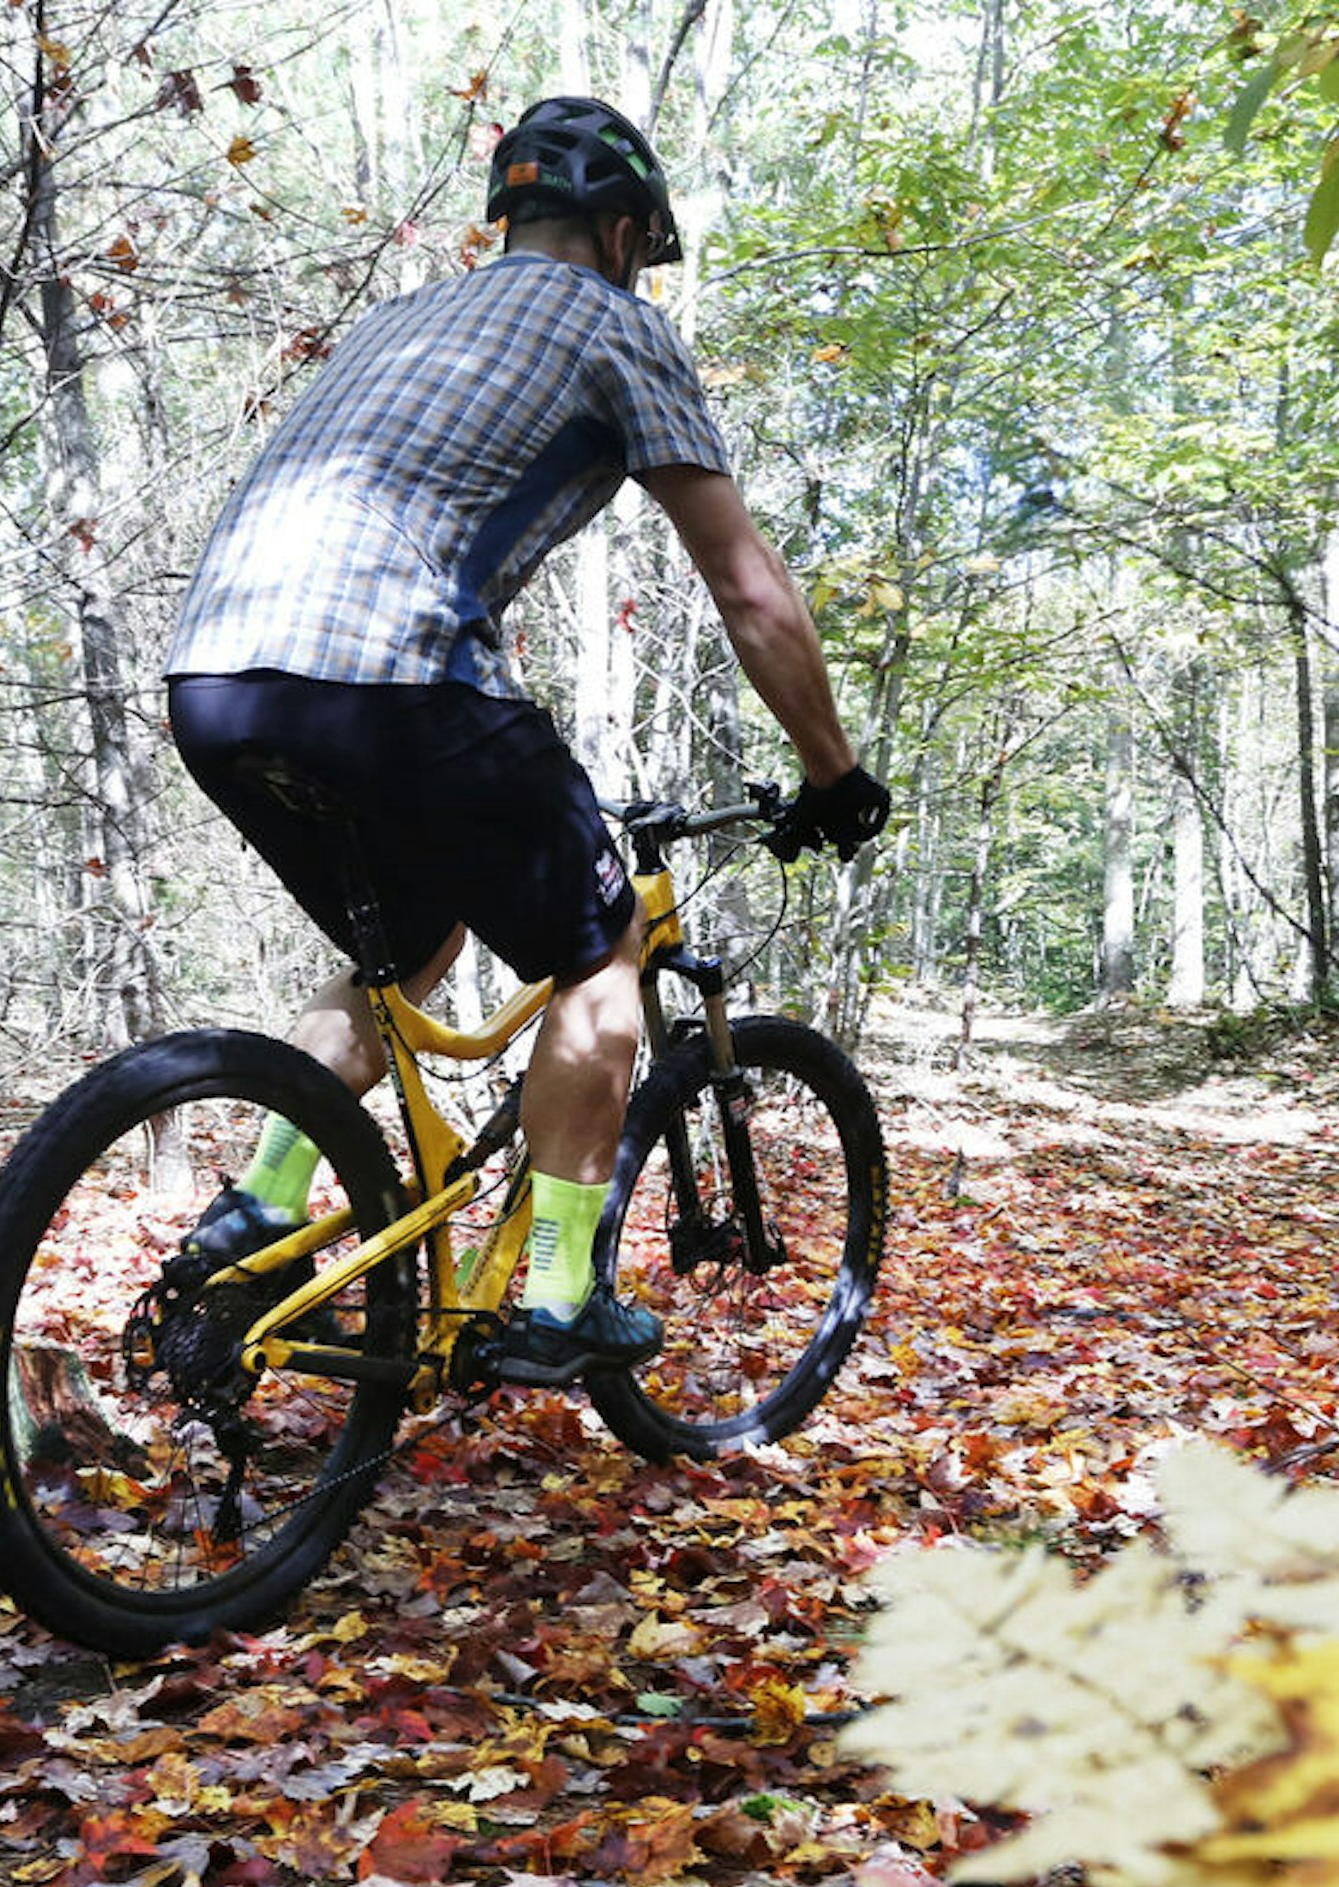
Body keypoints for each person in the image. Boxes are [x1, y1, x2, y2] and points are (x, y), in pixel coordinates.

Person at [162, 93, 890, 1385]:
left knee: (414, 939)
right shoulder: (617, 326)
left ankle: (260, 1212)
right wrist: (834, 770)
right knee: (601, 946)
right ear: (620, 232)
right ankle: (557, 1294)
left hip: (215, 675)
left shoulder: (398, 323)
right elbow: (746, 586)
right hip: (388, 678)